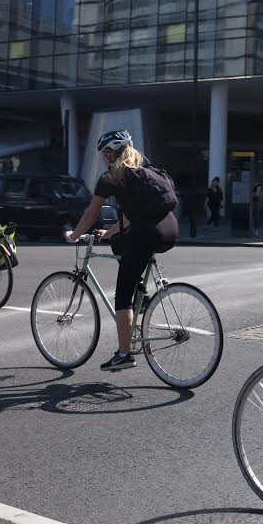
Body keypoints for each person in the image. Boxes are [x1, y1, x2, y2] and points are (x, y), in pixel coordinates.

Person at [65, 130, 178, 371]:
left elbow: (91, 214)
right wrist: (109, 233)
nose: (103, 159)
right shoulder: (145, 172)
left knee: (122, 295)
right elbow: (131, 214)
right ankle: (144, 302)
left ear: (108, 154)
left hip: (147, 233)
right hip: (169, 230)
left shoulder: (110, 177)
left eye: (103, 154)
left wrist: (74, 236)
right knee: (123, 247)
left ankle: (124, 353)